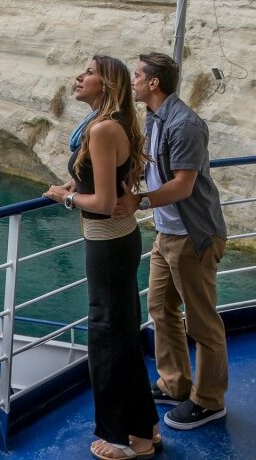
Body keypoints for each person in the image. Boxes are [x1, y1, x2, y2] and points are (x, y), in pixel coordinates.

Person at [43, 55, 160, 460]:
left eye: (89, 72)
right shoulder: (107, 125)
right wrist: (75, 183)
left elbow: (106, 202)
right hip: (116, 242)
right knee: (122, 337)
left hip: (108, 244)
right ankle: (145, 432)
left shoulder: (103, 129)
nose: (79, 76)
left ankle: (121, 439)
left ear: (107, 86)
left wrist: (66, 197)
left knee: (108, 340)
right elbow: (104, 180)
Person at [114, 51, 229, 430]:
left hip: (193, 236)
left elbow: (182, 185)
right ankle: (175, 383)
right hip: (167, 234)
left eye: (137, 75)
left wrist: (138, 202)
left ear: (154, 83)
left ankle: (209, 400)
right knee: (161, 310)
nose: (132, 80)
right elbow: (151, 168)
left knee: (203, 323)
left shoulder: (185, 125)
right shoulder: (155, 118)